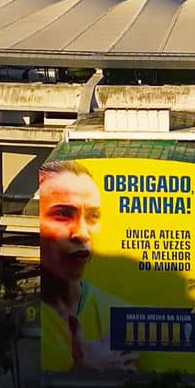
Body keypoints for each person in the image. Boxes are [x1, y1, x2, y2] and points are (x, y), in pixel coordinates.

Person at [38, 160, 136, 373]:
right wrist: (83, 369)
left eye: (92, 216)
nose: (82, 233)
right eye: (63, 214)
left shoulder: (116, 313)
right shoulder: (32, 316)